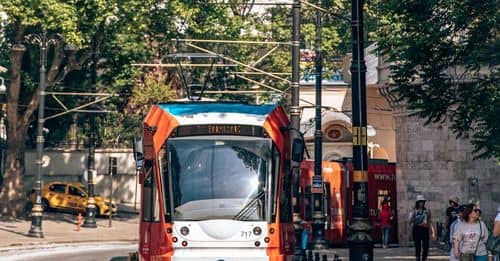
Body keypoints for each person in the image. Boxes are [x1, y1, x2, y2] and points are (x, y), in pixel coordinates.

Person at [409, 195, 436, 261]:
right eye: (420, 202)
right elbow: (410, 221)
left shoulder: (427, 211)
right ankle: (418, 258)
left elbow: (430, 221)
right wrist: (413, 212)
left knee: (426, 246)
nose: (421, 203)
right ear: (417, 202)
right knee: (417, 246)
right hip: (416, 229)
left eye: (422, 202)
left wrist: (433, 232)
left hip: (424, 229)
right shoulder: (414, 211)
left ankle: (424, 258)